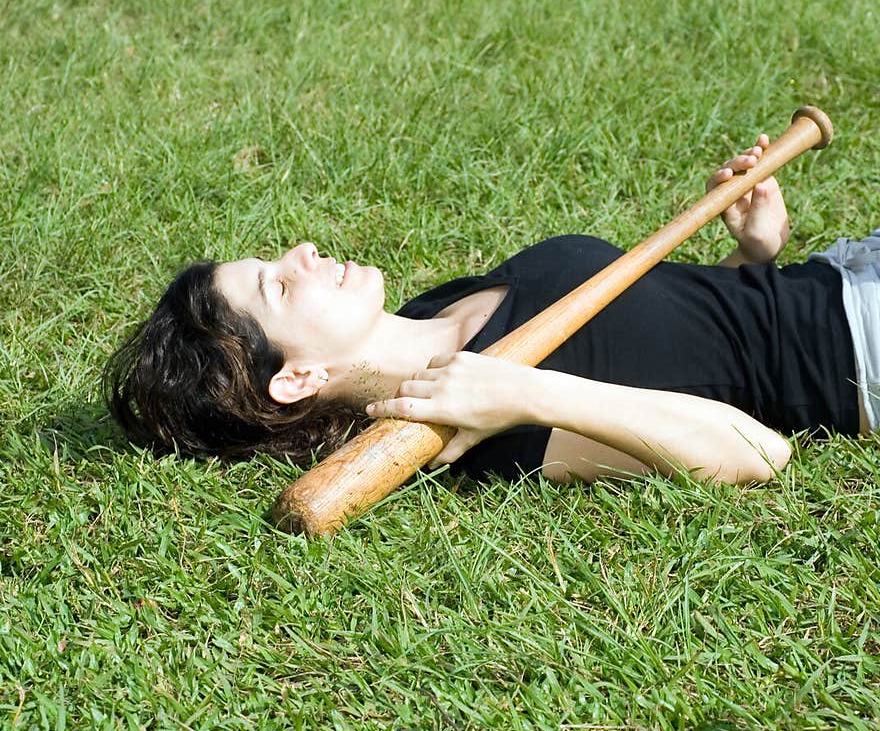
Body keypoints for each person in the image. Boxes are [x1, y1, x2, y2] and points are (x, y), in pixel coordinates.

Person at [104, 136, 875, 489]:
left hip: (836, 269)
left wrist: (754, 258)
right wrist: (527, 396)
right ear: (298, 378)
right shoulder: (474, 427)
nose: (301, 251)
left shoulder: (433, 311)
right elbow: (755, 450)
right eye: (277, 285)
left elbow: (681, 343)